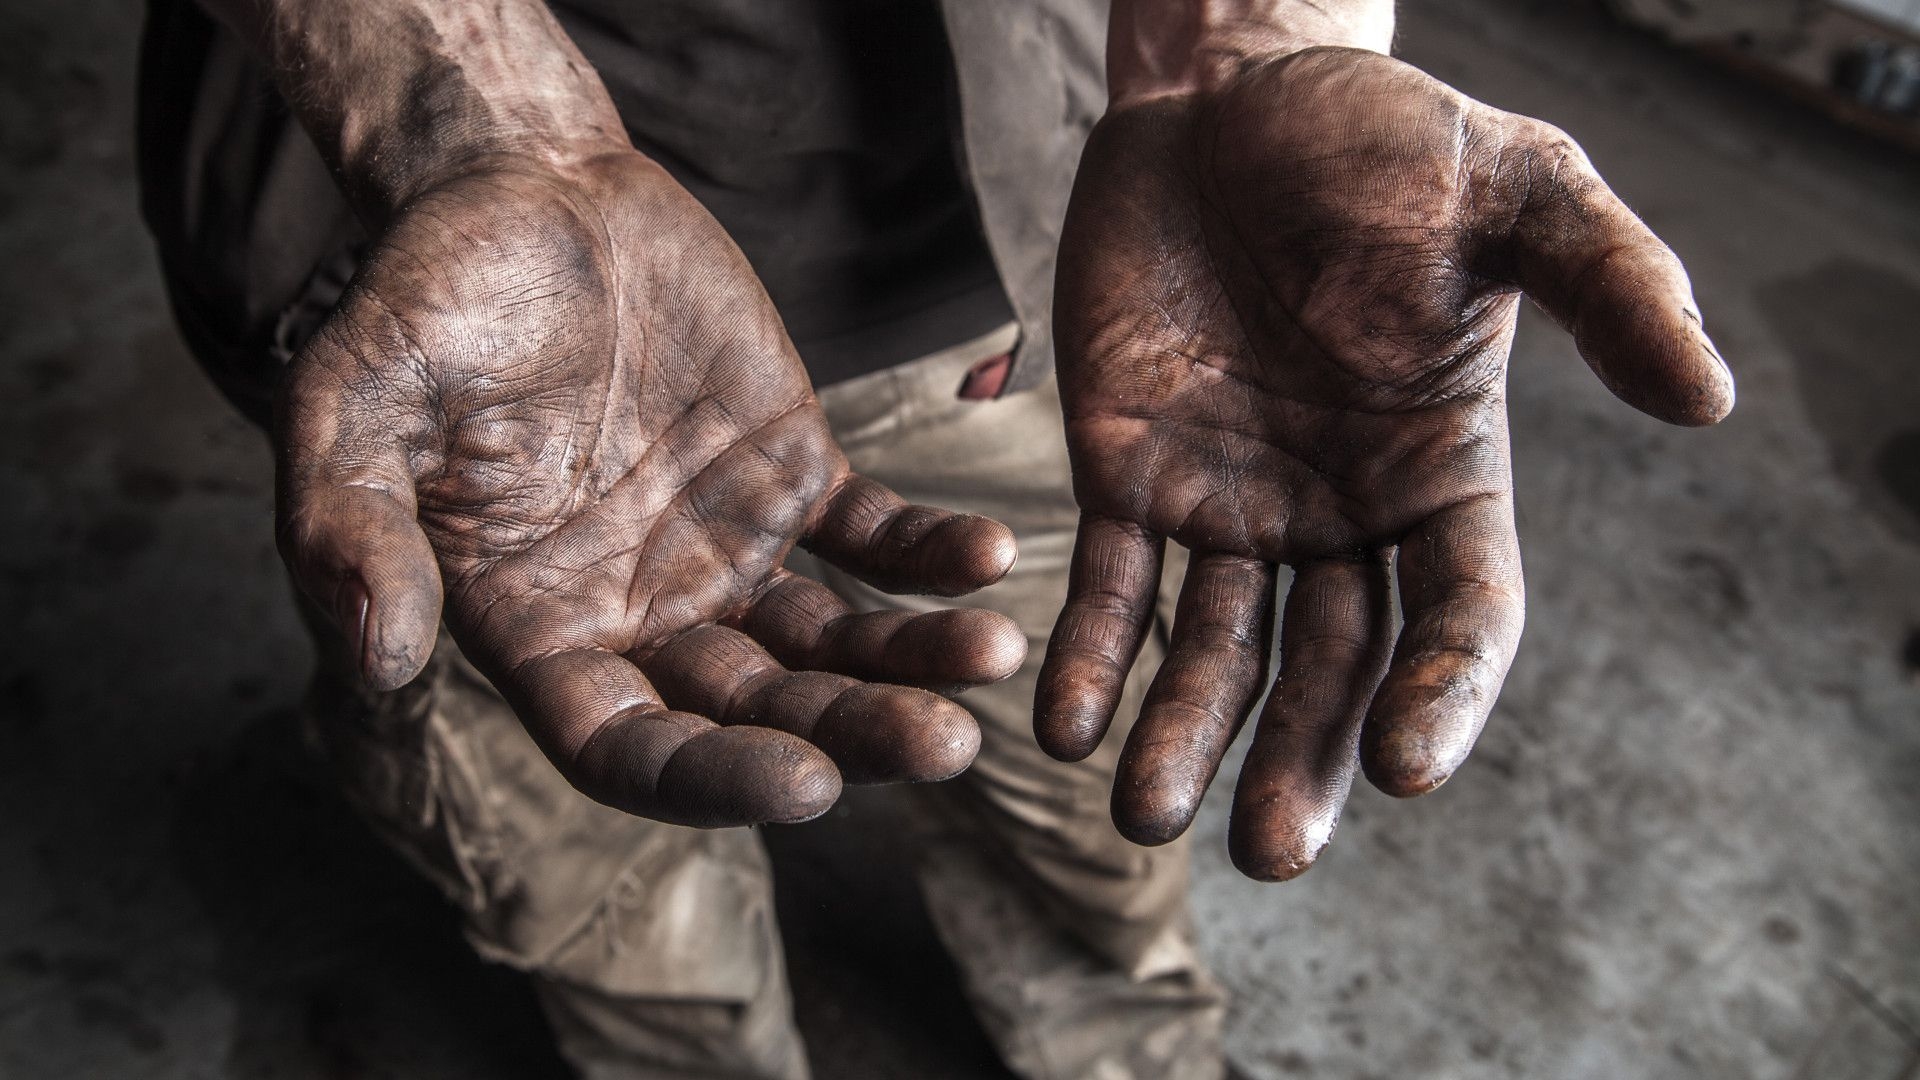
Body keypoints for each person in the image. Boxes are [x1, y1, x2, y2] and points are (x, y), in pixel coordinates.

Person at [136, 1, 1735, 1077]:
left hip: (1026, 272)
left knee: (1101, 798)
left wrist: (1240, 54)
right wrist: (485, 130)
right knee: (601, 868)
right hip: (456, 313)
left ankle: (1116, 1041)